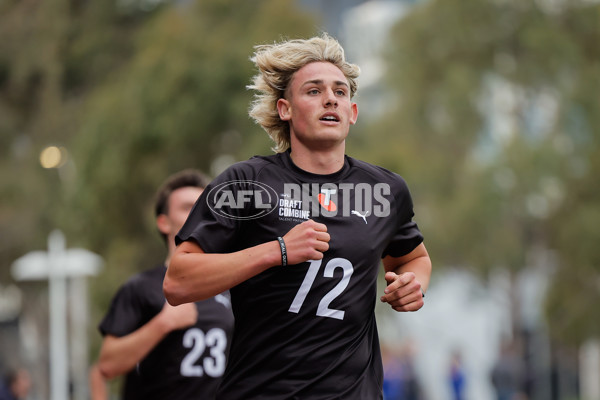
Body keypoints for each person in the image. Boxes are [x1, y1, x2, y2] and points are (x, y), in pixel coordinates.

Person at [164, 33, 432, 399]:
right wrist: (277, 251)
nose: (330, 100)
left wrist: (413, 284)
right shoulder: (246, 183)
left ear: (352, 113)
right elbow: (178, 282)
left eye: (340, 92)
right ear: (284, 109)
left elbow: (413, 258)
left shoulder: (386, 190)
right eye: (313, 91)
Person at [94, 169, 234, 400]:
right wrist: (163, 323)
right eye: (188, 207)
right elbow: (107, 365)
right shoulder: (140, 288)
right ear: (163, 223)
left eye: (206, 206)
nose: (200, 213)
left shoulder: (232, 287)